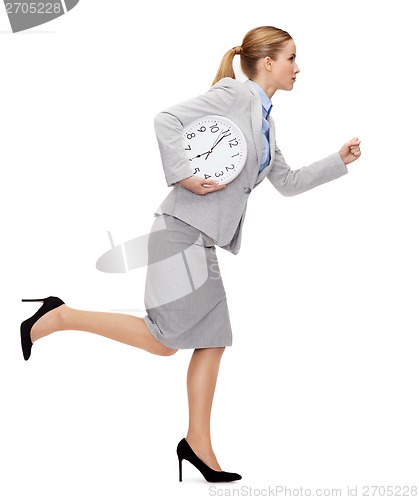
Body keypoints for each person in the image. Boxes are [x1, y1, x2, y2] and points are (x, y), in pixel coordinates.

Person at [20, 25, 361, 483]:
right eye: (291, 58)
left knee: (213, 338)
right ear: (267, 63)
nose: (297, 68)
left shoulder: (265, 120)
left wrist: (339, 160)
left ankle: (197, 443)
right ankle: (59, 317)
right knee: (163, 341)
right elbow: (165, 119)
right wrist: (183, 175)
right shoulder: (233, 95)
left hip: (203, 239)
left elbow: (287, 183)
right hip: (181, 232)